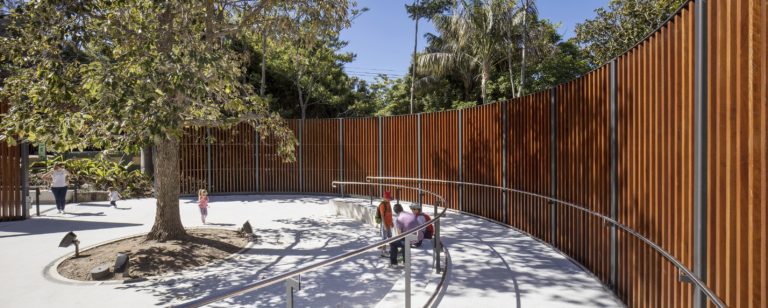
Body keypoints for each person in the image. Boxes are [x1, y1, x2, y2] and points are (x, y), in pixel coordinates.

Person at [389, 203, 420, 267]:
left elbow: (400, 235)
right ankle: (405, 261)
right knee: (404, 241)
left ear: (395, 212)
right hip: (417, 237)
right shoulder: (410, 214)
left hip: (409, 240)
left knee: (393, 243)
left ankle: (394, 263)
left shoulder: (399, 219)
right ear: (402, 208)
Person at [375, 191, 394, 256]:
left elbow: (390, 213)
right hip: (384, 223)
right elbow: (382, 216)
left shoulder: (388, 203)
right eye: (388, 198)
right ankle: (383, 251)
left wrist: (392, 222)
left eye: (389, 198)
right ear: (385, 198)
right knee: (384, 238)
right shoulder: (382, 205)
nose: (389, 199)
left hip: (389, 223)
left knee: (390, 236)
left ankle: (392, 249)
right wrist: (385, 225)